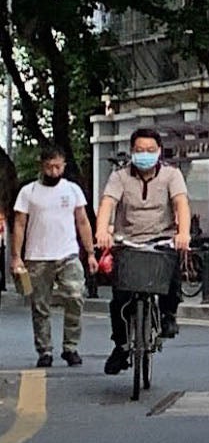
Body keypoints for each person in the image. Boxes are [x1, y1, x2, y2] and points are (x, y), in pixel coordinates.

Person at [96, 127, 192, 374]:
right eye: (140, 150)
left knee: (171, 276)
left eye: (150, 150)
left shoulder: (172, 175)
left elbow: (181, 203)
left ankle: (169, 315)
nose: (145, 154)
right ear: (132, 151)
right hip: (127, 242)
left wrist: (183, 233)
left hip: (161, 239)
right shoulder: (119, 177)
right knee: (119, 299)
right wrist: (102, 231)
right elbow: (108, 203)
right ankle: (121, 346)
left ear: (159, 151)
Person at [9, 146, 96, 368]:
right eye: (49, 167)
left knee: (75, 296)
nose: (54, 171)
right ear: (42, 166)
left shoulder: (73, 190)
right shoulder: (28, 192)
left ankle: (71, 347)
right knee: (40, 306)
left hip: (68, 254)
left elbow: (83, 221)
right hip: (37, 257)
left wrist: (91, 253)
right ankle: (44, 350)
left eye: (58, 166)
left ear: (64, 166)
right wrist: (16, 257)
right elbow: (19, 225)